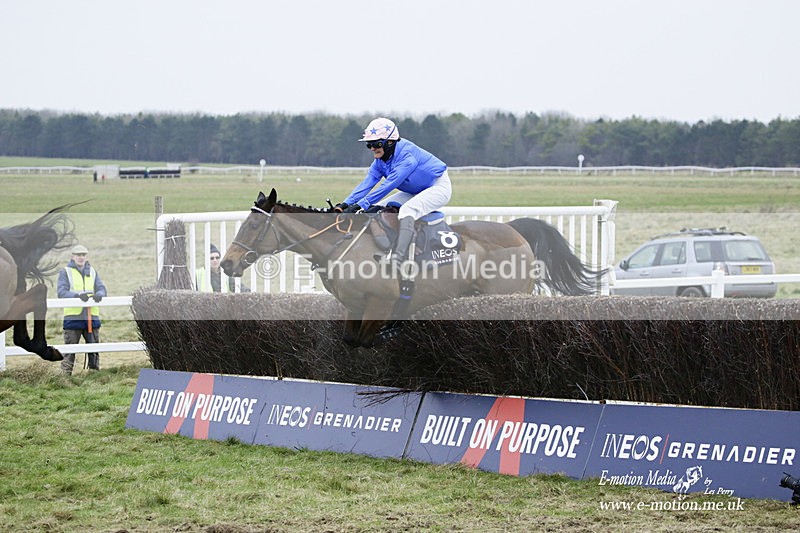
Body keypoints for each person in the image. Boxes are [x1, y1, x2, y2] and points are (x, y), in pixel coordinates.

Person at [334, 117, 451, 270]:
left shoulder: (407, 156)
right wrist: (345, 204)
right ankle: (386, 249)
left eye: (376, 144)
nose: (372, 148)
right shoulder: (379, 161)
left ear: (390, 142)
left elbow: (388, 186)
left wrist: (360, 205)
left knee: (407, 211)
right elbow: (366, 184)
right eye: (369, 144)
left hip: (437, 187)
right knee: (378, 208)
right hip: (415, 190)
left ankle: (398, 258)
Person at [57, 244, 107, 374]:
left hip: (92, 317)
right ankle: (65, 377)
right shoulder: (65, 272)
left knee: (94, 349)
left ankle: (94, 375)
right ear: (73, 257)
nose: (81, 257)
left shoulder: (92, 271)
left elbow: (102, 288)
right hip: (73, 318)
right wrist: (78, 296)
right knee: (70, 350)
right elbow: (61, 292)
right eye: (78, 255)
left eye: (83, 255)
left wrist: (99, 295)